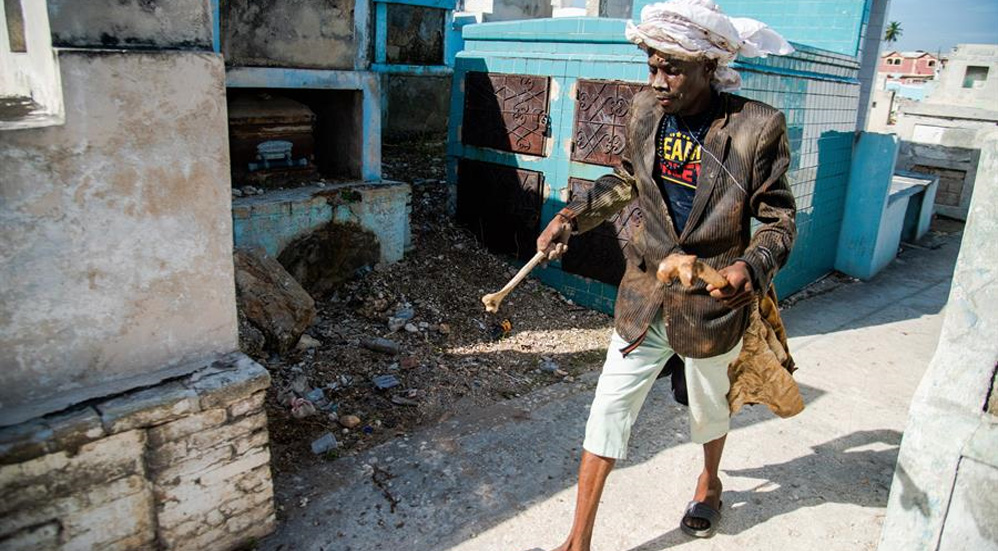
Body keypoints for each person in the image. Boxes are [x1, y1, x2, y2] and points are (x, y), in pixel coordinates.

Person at [535, 1, 798, 548]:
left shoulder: (757, 127)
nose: (657, 80)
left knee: (706, 410)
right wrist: (570, 217)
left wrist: (746, 269)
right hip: (644, 292)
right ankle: (577, 541)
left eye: (672, 68)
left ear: (710, 66)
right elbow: (626, 179)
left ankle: (709, 483)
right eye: (652, 65)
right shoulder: (644, 111)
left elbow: (779, 220)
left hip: (711, 302)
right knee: (608, 409)